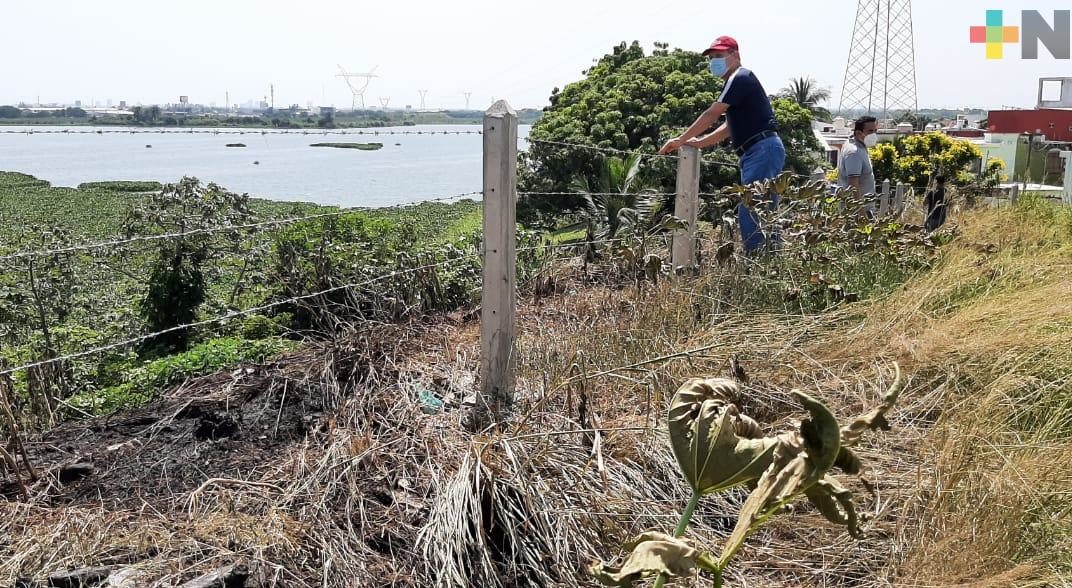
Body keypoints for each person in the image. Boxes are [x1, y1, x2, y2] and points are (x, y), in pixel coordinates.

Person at [659, 35, 786, 253]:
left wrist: (681, 140)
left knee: (751, 208)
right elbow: (729, 126)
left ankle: (757, 259)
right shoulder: (736, 82)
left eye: (719, 56)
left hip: (760, 149)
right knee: (763, 207)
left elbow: (712, 113)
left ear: (735, 55)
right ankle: (770, 259)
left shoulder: (740, 77)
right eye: (711, 58)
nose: (713, 62)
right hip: (759, 150)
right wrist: (700, 142)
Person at [837, 116, 879, 217]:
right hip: (856, 212)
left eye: (875, 131)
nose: (873, 134)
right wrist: (861, 214)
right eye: (870, 131)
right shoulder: (854, 152)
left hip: (863, 209)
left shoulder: (858, 145)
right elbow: (853, 185)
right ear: (858, 133)